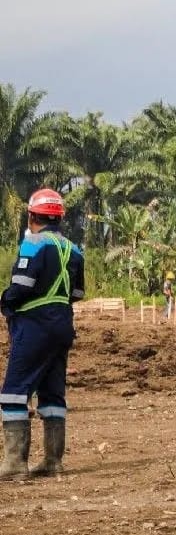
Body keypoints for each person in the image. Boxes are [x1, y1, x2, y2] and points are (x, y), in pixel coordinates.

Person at [0, 189, 85, 479]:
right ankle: (52, 461)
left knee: (13, 392)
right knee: (52, 392)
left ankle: (14, 464)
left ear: (32, 215)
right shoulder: (74, 249)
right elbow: (77, 292)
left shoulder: (33, 243)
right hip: (63, 325)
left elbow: (22, 284)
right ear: (59, 218)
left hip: (35, 324)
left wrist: (6, 301)